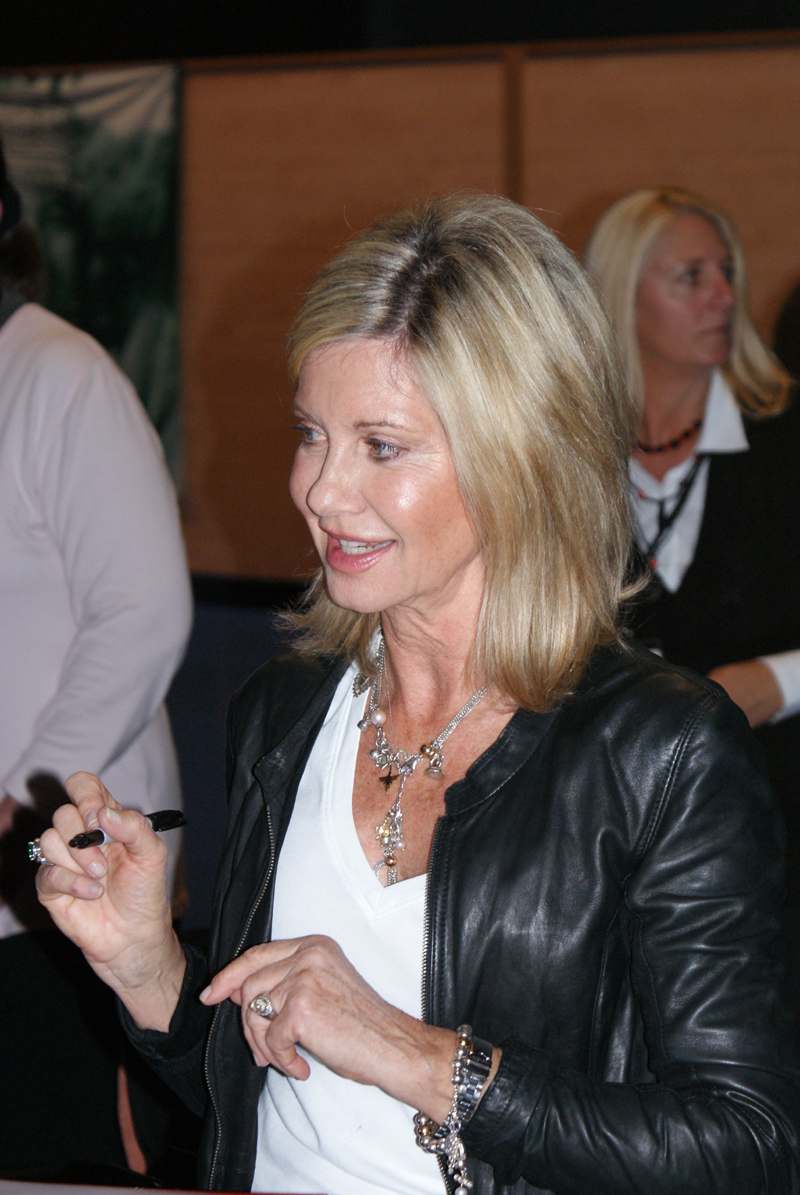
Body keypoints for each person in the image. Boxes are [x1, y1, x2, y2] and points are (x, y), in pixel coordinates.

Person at [35, 194, 800, 1195]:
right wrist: (145, 966)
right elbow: (261, 1094)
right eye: (312, 433)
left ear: (517, 455)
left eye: (381, 446)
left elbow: (747, 1147)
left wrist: (412, 1052)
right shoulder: (283, 714)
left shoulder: (662, 749)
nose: (320, 490)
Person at [0, 138, 193, 1177]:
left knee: (58, 1152)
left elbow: (144, 611)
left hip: (67, 881)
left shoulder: (58, 373)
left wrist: (20, 804)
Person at [584, 188, 800, 909]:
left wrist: (778, 681)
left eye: (727, 272)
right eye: (692, 277)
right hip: (611, 827)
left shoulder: (787, 437)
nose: (725, 296)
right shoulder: (571, 455)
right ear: (622, 295)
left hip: (775, 821)